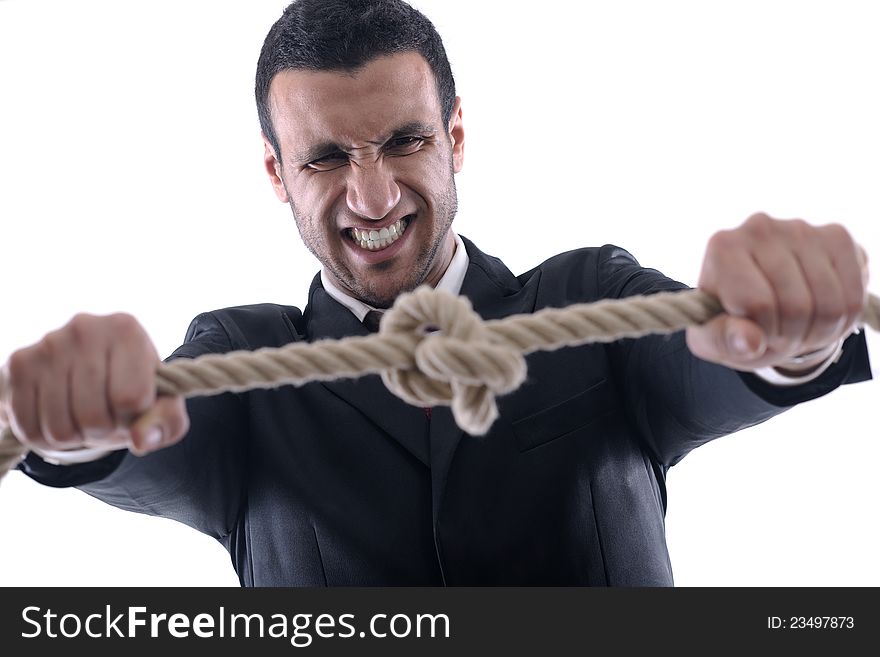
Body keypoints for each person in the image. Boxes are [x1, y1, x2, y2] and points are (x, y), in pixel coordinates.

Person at [0, 0, 872, 585]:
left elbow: (709, 364)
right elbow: (145, 446)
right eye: (328, 157)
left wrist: (788, 332)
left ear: (456, 134)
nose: (373, 197)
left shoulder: (586, 298)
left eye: (405, 141)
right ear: (276, 172)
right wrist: (84, 419)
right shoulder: (241, 360)